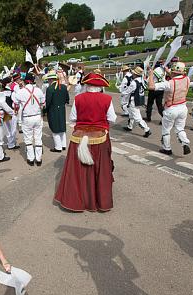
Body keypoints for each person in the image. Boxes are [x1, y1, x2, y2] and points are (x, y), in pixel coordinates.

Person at [54, 72, 116, 212]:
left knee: (77, 172)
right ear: (100, 87)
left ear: (86, 85)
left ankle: (77, 201)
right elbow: (112, 118)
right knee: (100, 170)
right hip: (100, 138)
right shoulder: (107, 99)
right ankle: (99, 201)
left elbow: (73, 119)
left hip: (79, 138)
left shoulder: (79, 98)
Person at [148, 62, 191, 156]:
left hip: (171, 108)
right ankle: (185, 143)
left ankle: (167, 148)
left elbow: (151, 87)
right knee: (180, 128)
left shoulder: (169, 83)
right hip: (183, 107)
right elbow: (177, 77)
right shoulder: (187, 79)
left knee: (166, 130)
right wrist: (169, 72)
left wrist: (151, 75)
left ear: (174, 72)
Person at [13, 73, 45, 166]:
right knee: (38, 137)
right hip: (37, 116)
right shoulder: (38, 90)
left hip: (27, 118)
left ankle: (31, 159)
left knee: (28, 138)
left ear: (24, 81)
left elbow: (15, 103)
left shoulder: (21, 92)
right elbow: (43, 103)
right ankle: (38, 159)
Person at [122, 66, 151, 138]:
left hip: (133, 100)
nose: (132, 74)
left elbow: (128, 92)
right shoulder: (142, 80)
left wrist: (122, 92)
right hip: (139, 99)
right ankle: (129, 126)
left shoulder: (134, 82)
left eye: (133, 73)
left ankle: (147, 130)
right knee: (131, 114)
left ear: (135, 74)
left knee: (137, 117)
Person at [45, 71, 69, 152]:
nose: (48, 81)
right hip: (62, 109)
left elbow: (48, 102)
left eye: (48, 80)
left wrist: (44, 110)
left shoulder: (50, 89)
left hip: (53, 110)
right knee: (62, 127)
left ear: (51, 80)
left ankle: (58, 147)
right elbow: (67, 99)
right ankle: (63, 145)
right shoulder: (64, 87)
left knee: (55, 128)